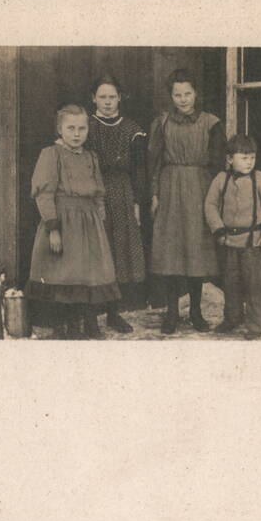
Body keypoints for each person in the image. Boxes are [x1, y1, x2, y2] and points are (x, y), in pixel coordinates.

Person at [25, 104, 120, 340]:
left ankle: (88, 322)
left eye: (82, 128)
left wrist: (99, 217)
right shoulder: (51, 154)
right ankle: (64, 325)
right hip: (64, 222)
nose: (77, 134)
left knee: (89, 274)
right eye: (71, 128)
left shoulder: (91, 157)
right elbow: (44, 194)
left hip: (89, 224)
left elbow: (99, 191)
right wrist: (53, 229)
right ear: (60, 129)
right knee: (64, 274)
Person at [148, 68, 226, 334]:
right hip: (170, 188)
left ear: (196, 93)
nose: (182, 99)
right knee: (171, 251)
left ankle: (196, 311)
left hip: (199, 188)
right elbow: (153, 162)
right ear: (171, 96)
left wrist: (215, 198)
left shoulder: (211, 123)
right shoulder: (162, 123)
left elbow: (217, 165)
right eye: (177, 94)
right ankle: (171, 311)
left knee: (196, 251)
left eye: (187, 93)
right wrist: (155, 193)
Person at [204, 134, 261, 339]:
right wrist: (218, 229)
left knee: (254, 284)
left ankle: (256, 325)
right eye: (244, 158)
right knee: (231, 282)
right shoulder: (221, 179)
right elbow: (210, 205)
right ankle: (232, 318)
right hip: (229, 240)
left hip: (252, 241)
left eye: (252, 158)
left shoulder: (260, 179)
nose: (249, 162)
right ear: (230, 159)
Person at [88, 75, 147, 333]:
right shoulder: (85, 126)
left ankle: (114, 313)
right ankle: (90, 315)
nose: (108, 102)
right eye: (102, 97)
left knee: (119, 251)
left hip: (122, 193)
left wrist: (136, 202)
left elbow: (138, 169)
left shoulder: (132, 129)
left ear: (120, 98)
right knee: (95, 252)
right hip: (93, 192)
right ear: (94, 99)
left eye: (112, 97)